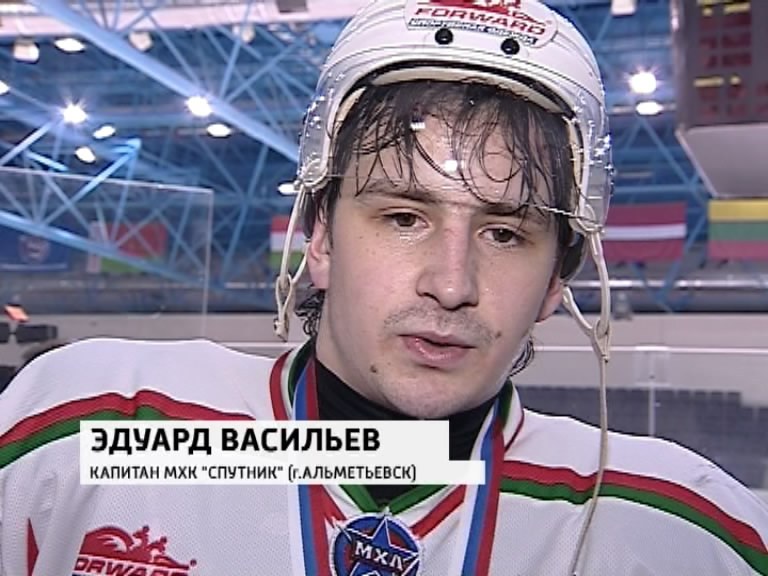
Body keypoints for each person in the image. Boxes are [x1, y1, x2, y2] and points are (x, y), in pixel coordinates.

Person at [1, 0, 767, 574]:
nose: (451, 284)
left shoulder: (678, 527)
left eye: (506, 234)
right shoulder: (98, 430)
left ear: (554, 283)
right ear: (322, 240)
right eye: (404, 217)